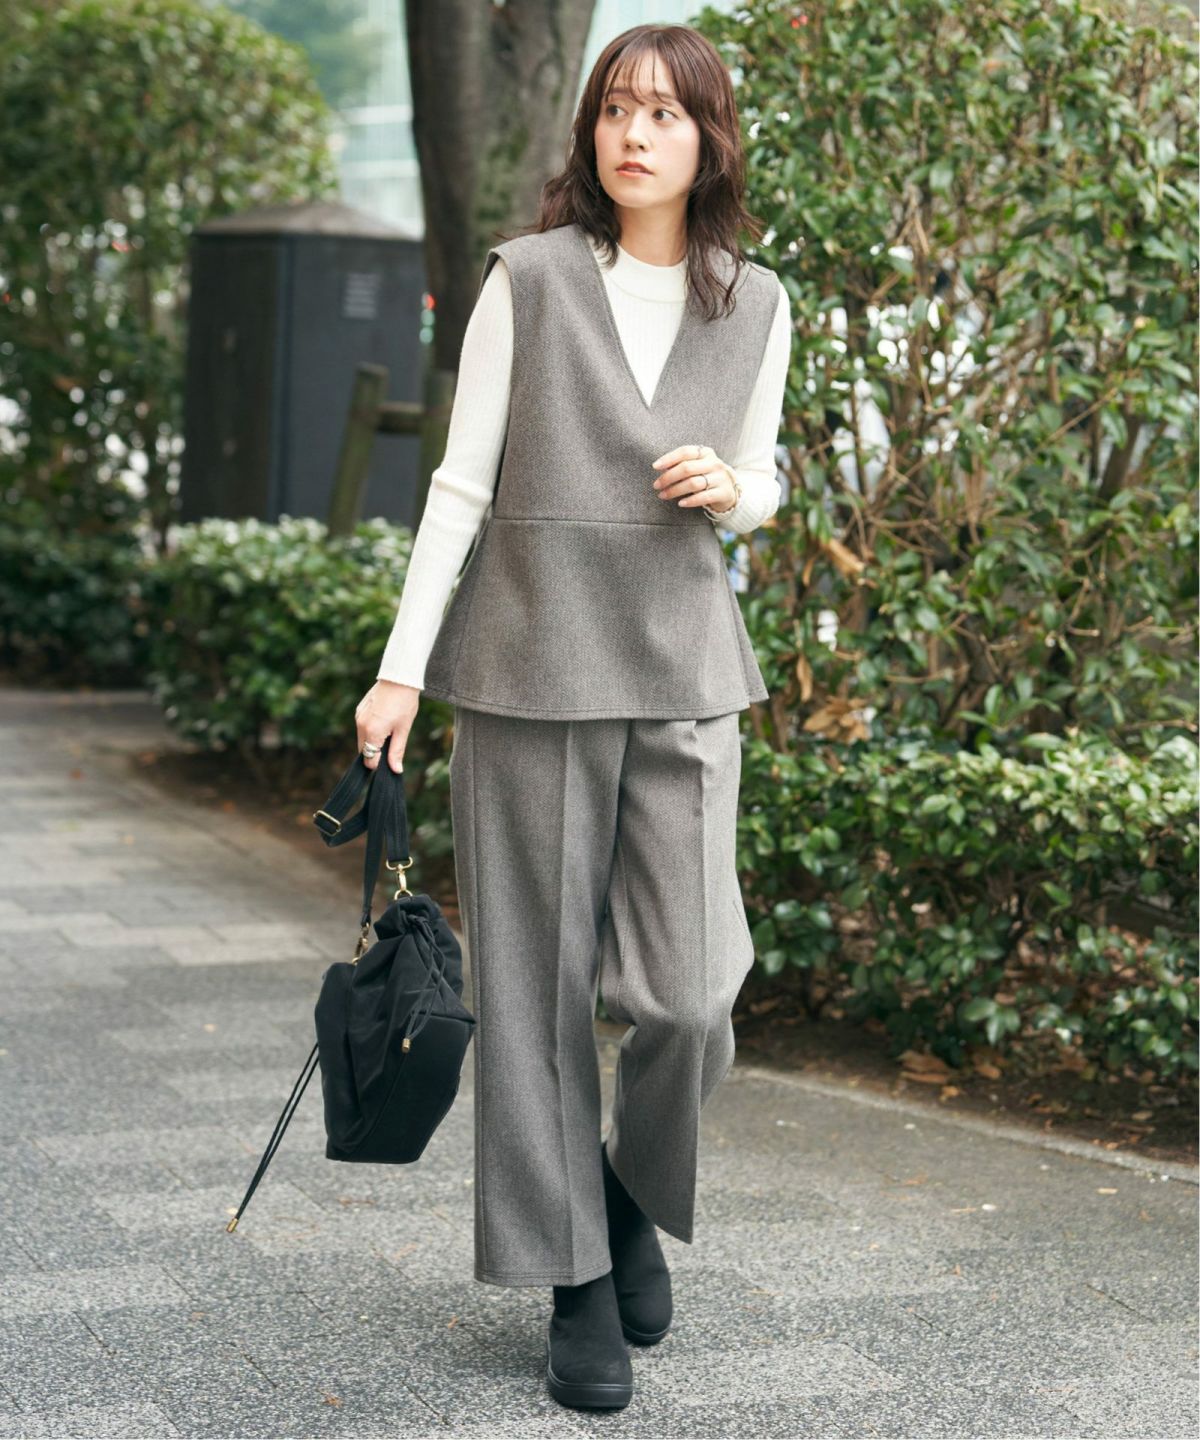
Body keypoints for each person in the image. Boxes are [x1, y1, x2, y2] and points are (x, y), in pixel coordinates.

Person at [354, 22, 791, 1414]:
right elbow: (460, 489)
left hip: (685, 667)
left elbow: (767, 470)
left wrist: (738, 492)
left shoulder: (757, 302)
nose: (633, 134)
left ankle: (619, 1193)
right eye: (615, 109)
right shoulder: (527, 281)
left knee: (694, 994)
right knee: (534, 989)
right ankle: (574, 1279)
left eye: (664, 113)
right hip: (530, 662)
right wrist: (400, 671)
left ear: (709, 140)